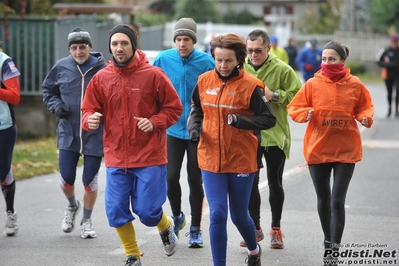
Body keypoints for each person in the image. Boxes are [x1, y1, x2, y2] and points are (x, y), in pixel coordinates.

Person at [81, 24, 183, 266]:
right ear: (110, 47)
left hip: (149, 155)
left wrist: (155, 122)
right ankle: (132, 256)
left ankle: (166, 225)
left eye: (124, 43)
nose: (119, 48)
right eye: (115, 44)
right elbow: (87, 109)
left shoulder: (153, 75)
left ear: (133, 45)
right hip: (116, 156)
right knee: (115, 210)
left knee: (147, 213)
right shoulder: (101, 78)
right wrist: (89, 119)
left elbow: (174, 108)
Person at [188, 33, 276, 266]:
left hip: (240, 159)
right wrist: (195, 129)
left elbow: (269, 120)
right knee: (217, 214)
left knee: (238, 215)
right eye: (218, 60)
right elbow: (197, 109)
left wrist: (241, 121)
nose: (223, 66)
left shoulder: (251, 86)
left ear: (239, 59)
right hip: (210, 157)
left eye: (228, 61)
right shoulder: (204, 81)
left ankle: (254, 250)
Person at [287, 40, 374, 265]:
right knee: (323, 199)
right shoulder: (312, 84)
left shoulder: (354, 84)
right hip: (318, 149)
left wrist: (365, 116)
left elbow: (365, 105)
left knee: (337, 201)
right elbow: (295, 106)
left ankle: (334, 248)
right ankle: (328, 241)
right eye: (324, 59)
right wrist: (304, 113)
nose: (326, 63)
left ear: (342, 61)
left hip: (346, 149)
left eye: (331, 59)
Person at [153, 17, 214, 248]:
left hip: (198, 129)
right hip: (171, 128)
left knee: (194, 179)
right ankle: (178, 216)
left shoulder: (207, 62)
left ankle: (196, 229)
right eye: (178, 39)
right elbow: (152, 89)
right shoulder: (163, 58)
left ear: (193, 41)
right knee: (170, 177)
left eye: (186, 39)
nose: (181, 43)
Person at [42, 28, 107, 239]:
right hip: (68, 131)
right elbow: (48, 91)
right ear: (70, 49)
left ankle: (87, 221)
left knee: (90, 180)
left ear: (90, 47)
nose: (78, 51)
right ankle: (72, 206)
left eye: (82, 47)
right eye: (74, 48)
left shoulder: (102, 68)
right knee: (66, 179)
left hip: (94, 133)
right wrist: (56, 105)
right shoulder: (61, 66)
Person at [243, 29, 302, 249]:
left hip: (275, 133)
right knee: (250, 184)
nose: (253, 55)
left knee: (275, 184)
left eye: (258, 50)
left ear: (269, 48)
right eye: (249, 50)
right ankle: (255, 228)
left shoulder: (282, 69)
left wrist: (274, 95)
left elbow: (298, 96)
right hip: (249, 134)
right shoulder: (242, 68)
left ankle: (276, 229)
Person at [0, 41, 21, 236]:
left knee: (3, 173)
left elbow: (14, 97)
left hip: (3, 127)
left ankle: (10, 212)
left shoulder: (4, 63)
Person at [377, 33, 399, 117]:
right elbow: (378, 61)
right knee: (390, 92)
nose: (395, 43)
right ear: (391, 42)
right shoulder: (386, 50)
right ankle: (389, 109)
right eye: (393, 42)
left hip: (397, 75)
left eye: (396, 42)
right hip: (388, 75)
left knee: (398, 91)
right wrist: (387, 65)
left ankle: (396, 110)